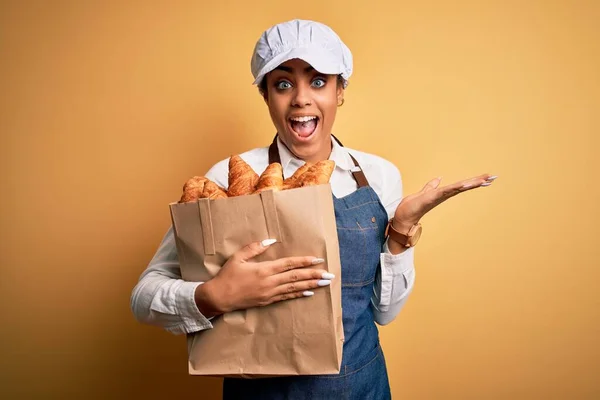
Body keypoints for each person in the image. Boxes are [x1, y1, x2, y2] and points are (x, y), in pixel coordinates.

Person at [131, 19, 497, 399]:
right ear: (266, 95)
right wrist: (214, 296)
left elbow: (383, 313)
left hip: (360, 388)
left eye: (319, 81)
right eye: (283, 83)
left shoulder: (378, 176)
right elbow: (144, 296)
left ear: (341, 91)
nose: (301, 98)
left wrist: (402, 230)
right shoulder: (231, 176)